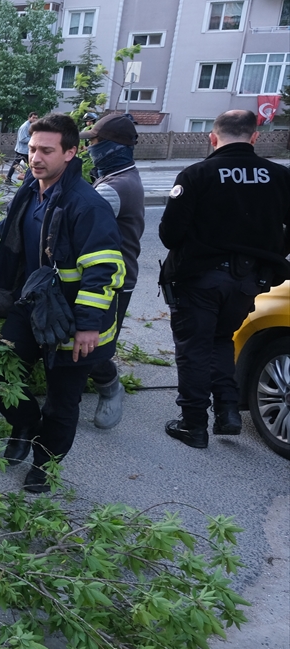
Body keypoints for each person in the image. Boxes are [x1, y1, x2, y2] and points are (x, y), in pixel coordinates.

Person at [0, 114, 124, 493]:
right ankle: (23, 423)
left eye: (46, 151)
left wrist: (88, 324)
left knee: (62, 400)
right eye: (32, 149)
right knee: (2, 369)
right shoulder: (32, 187)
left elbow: (105, 269)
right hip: (32, 304)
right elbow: (14, 228)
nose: (34, 158)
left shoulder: (86, 205)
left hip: (73, 317)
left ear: (71, 153)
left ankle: (45, 463)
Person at [159, 110, 290, 449]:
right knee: (221, 340)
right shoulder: (280, 177)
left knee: (194, 349)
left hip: (200, 280)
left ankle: (193, 424)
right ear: (255, 136)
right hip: (249, 281)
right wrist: (271, 253)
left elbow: (170, 236)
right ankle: (228, 412)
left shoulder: (197, 174)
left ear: (213, 138)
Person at [80, 113, 145, 430]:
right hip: (102, 276)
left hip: (112, 281)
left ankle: (110, 388)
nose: (89, 148)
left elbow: (75, 227)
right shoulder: (114, 176)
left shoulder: (115, 188)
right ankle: (76, 387)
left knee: (94, 344)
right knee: (79, 338)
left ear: (112, 146)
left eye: (93, 142)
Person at [8, 112, 39, 182]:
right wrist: (34, 139)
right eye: (33, 117)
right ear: (29, 118)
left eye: (36, 118)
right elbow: (22, 139)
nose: (35, 119)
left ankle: (8, 178)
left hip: (25, 150)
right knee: (30, 165)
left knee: (19, 164)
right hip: (22, 150)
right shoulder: (25, 126)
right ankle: (30, 179)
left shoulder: (31, 126)